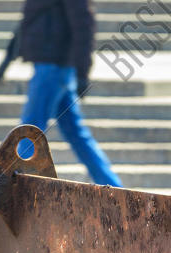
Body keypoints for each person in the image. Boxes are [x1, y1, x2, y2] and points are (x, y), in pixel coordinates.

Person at [6, 0, 121, 187]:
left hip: (54, 67)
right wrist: (10, 51)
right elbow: (35, 15)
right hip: (51, 65)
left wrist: (82, 73)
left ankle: (13, 185)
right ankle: (114, 186)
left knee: (30, 128)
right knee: (76, 134)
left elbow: (83, 24)